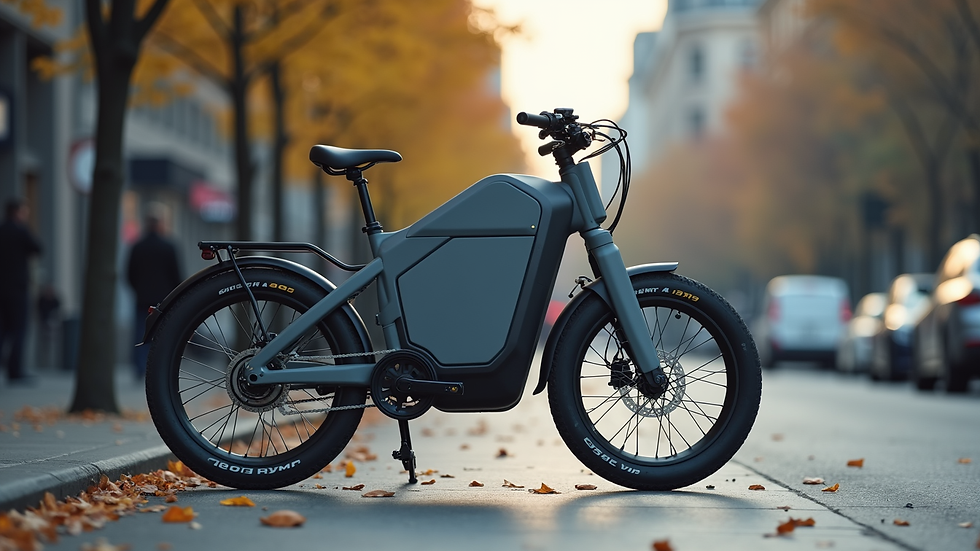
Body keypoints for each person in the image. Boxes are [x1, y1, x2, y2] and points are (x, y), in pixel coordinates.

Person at [126, 203, 182, 379]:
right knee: (160, 333)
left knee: (140, 333)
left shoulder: (137, 246)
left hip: (142, 298)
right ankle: (157, 367)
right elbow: (177, 275)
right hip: (163, 299)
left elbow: (129, 273)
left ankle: (139, 368)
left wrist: (138, 289)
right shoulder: (169, 246)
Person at [0, 198, 42, 385]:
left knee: (3, 330)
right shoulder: (20, 231)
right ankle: (14, 369)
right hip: (17, 288)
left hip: (2, 288)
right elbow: (37, 248)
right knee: (19, 329)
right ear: (17, 212)